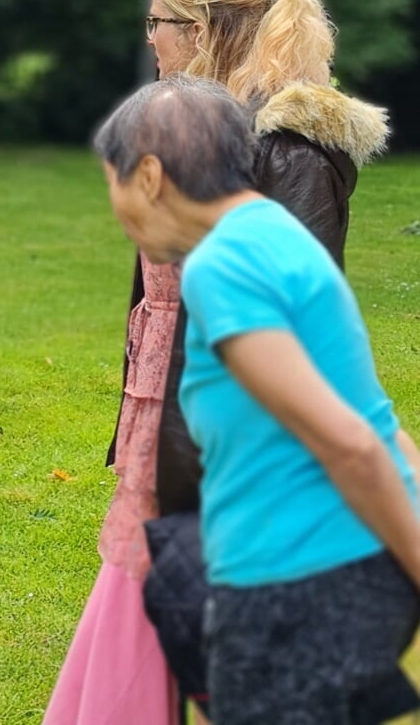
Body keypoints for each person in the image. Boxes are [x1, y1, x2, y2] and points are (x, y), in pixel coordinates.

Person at [91, 77, 420, 724]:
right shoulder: (274, 233)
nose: (116, 207)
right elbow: (373, 414)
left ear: (151, 175)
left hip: (296, 591)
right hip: (339, 578)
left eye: (114, 181)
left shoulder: (222, 264)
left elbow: (348, 440)